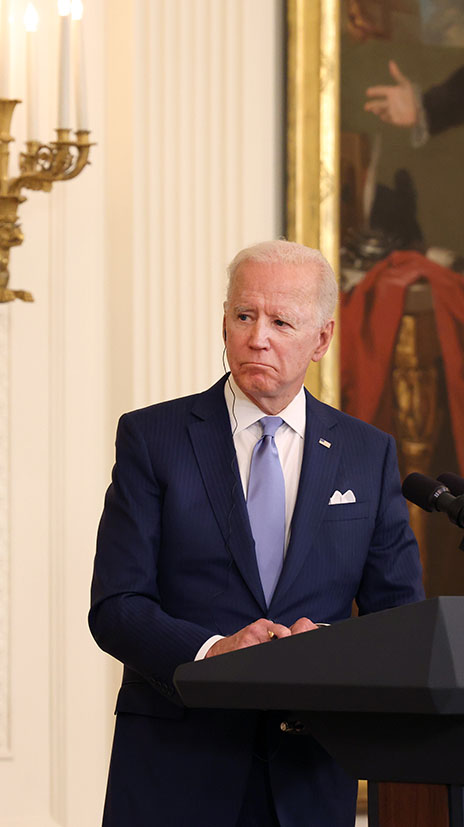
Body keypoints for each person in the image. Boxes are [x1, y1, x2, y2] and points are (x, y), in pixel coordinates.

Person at [89, 240, 423, 827]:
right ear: (224, 321)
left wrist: (328, 649)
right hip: (176, 770)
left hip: (310, 778)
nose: (257, 336)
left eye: (280, 321)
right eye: (244, 316)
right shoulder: (153, 438)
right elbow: (116, 606)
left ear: (321, 339)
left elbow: (400, 617)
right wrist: (214, 654)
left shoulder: (365, 454)